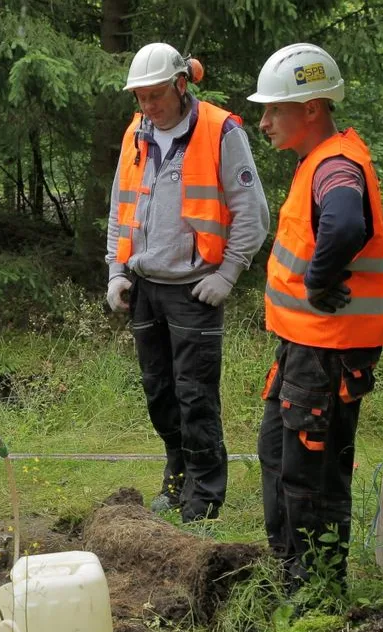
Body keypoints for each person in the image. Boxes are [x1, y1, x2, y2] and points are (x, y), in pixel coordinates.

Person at [248, 44, 383, 594]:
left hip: (327, 351)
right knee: (278, 453)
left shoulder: (336, 164)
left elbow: (342, 224)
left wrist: (317, 280)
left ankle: (315, 590)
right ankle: (288, 571)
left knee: (312, 472)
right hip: (304, 346)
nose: (263, 122)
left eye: (275, 109)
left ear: (311, 107)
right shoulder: (320, 161)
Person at [106, 43, 269, 522]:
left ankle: (205, 496)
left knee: (195, 395)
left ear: (181, 84)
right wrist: (117, 270)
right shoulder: (136, 132)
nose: (148, 106)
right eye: (140, 97)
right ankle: (176, 478)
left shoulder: (221, 130)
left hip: (196, 288)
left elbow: (251, 212)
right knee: (159, 393)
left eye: (156, 95)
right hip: (144, 285)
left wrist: (228, 272)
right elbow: (121, 207)